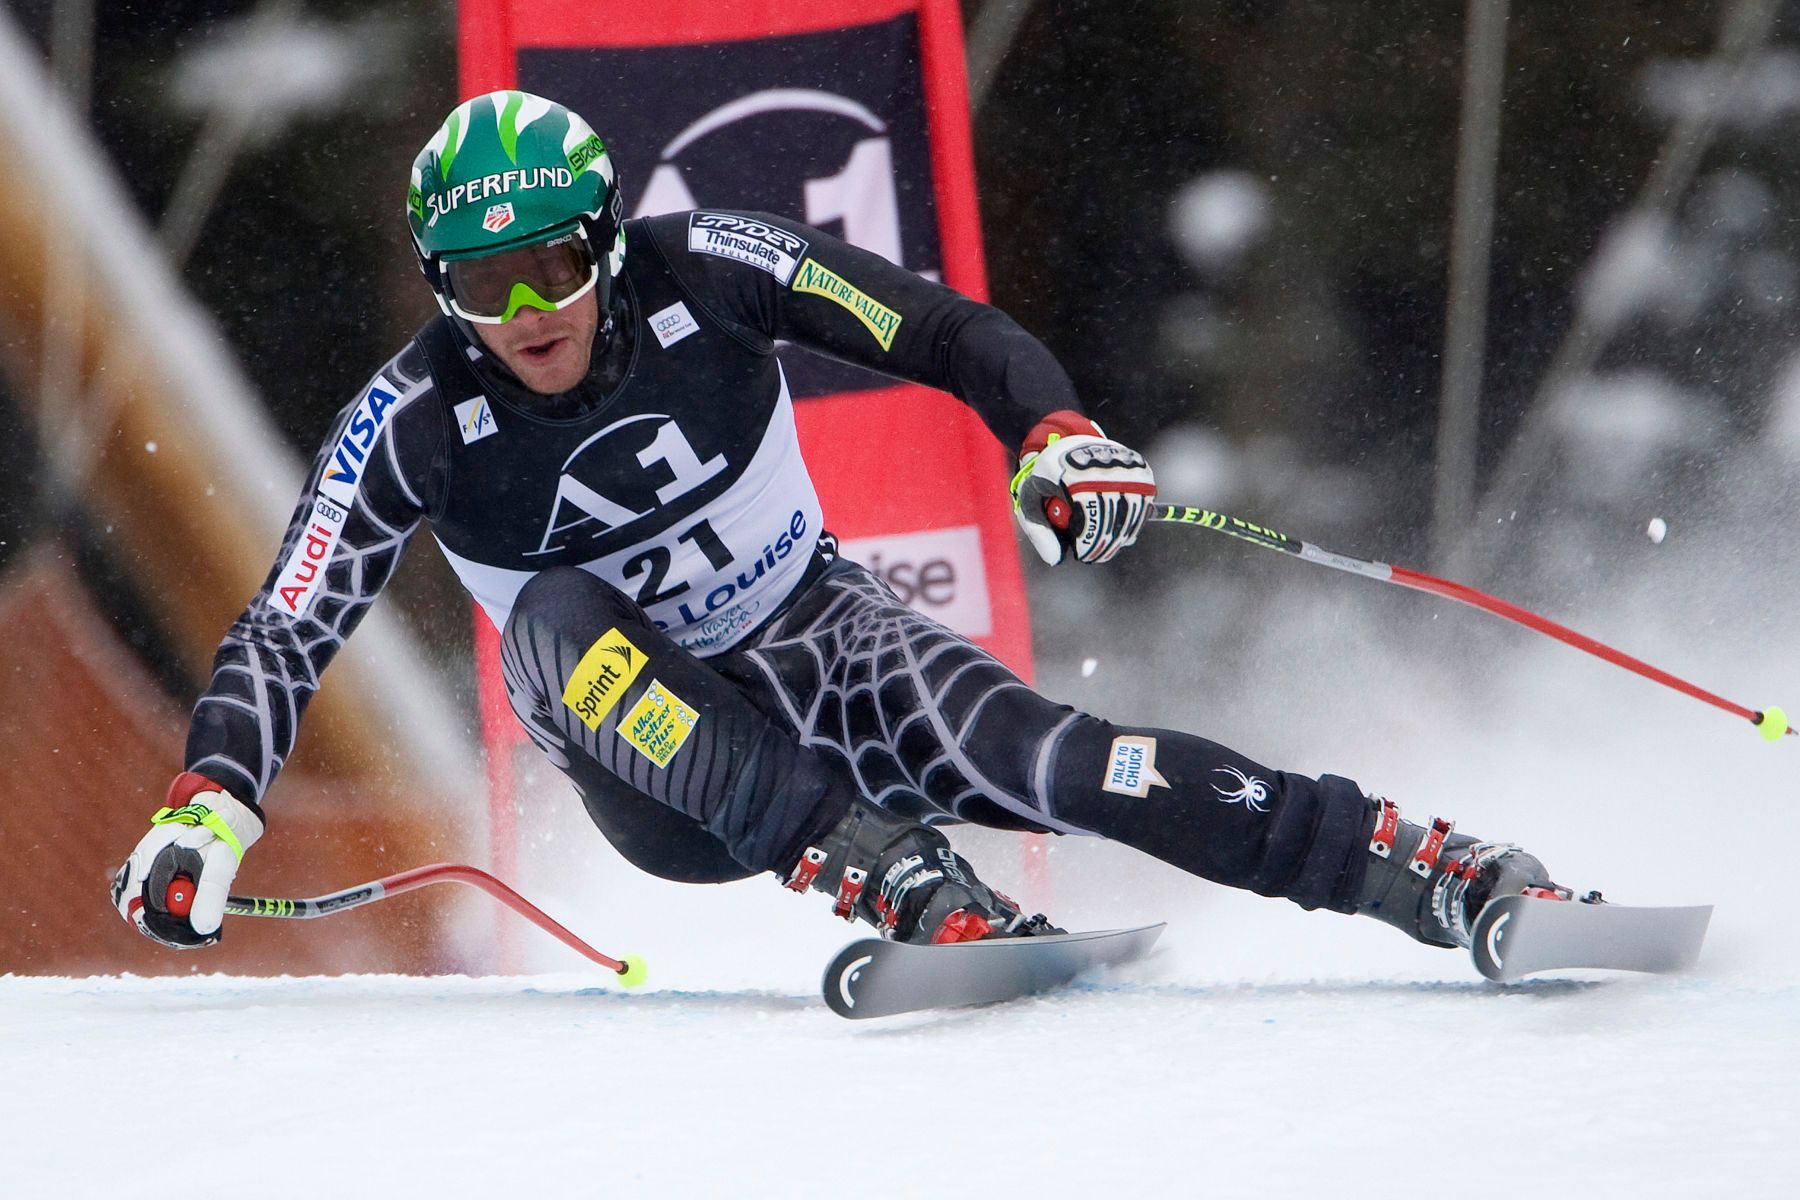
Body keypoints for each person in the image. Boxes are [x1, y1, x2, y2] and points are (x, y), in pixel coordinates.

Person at [113, 91, 1569, 957]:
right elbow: (292, 617)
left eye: (553, 264)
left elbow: (932, 325)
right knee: (550, 621)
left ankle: (1421, 871)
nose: (527, 312)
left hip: (815, 639)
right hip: (658, 773)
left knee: (1060, 758)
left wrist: (1052, 431)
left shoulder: (713, 268)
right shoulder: (413, 413)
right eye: (482, 287)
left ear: (608, 242)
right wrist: (211, 800)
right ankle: (876, 868)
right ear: (442, 292)